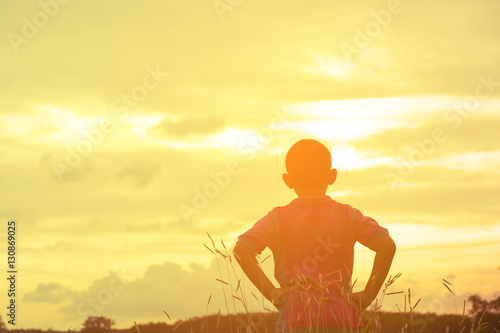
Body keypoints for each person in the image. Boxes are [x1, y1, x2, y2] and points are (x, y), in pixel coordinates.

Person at [233, 139, 396, 333]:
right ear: (332, 176)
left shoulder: (278, 219)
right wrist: (369, 294)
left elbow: (241, 249)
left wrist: (271, 293)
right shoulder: (349, 216)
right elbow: (387, 245)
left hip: (295, 320)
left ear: (287, 180)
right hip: (343, 319)